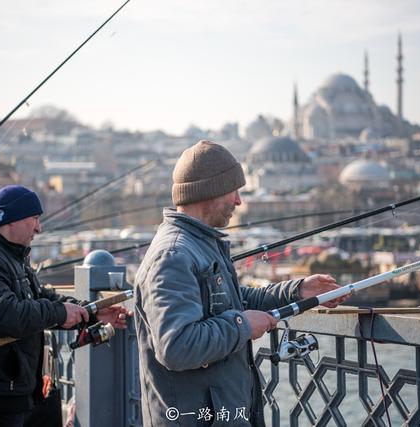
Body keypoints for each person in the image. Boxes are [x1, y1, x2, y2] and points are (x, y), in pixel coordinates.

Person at [134, 141, 346, 427]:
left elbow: (233, 301)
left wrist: (297, 291)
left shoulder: (199, 245)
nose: (238, 201)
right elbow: (177, 346)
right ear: (208, 191)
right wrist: (241, 326)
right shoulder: (173, 256)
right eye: (233, 191)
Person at [0, 185, 131, 427]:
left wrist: (91, 313)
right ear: (12, 219)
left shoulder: (7, 254)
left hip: (3, 388)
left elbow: (40, 297)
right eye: (35, 219)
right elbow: (1, 316)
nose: (39, 228)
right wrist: (60, 313)